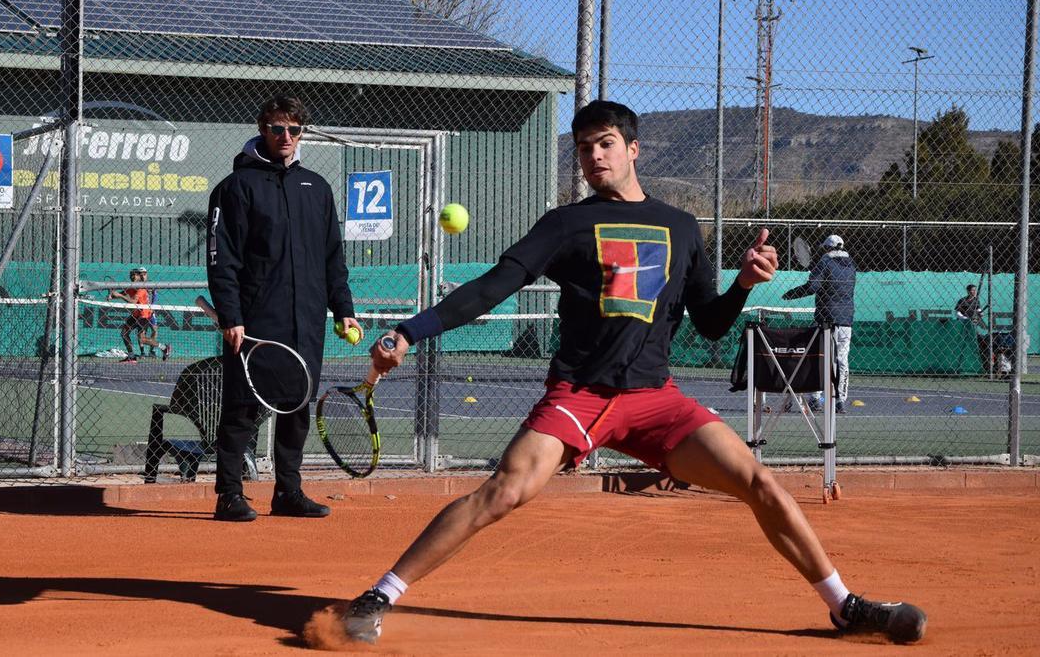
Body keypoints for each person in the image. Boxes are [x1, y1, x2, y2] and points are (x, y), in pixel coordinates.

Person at [340, 101, 925, 645]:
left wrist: (742, 284)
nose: (594, 157)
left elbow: (713, 323)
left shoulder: (681, 227)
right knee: (505, 491)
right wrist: (410, 331)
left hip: (656, 400)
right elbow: (496, 286)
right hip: (580, 393)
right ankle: (377, 596)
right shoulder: (565, 224)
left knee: (760, 482)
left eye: (606, 144)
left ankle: (843, 605)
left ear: (633, 149)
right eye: (585, 148)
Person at [206, 95, 361, 522]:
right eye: (278, 128)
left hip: (306, 318)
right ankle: (229, 495)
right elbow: (223, 258)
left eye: (294, 130)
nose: (286, 137)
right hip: (256, 320)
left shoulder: (317, 187)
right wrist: (232, 315)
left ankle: (288, 492)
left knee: (297, 404)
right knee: (242, 407)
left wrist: (342, 309)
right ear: (262, 129)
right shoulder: (235, 187)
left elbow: (333, 257)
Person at [782, 234, 855, 414]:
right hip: (846, 320)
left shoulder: (824, 262)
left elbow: (813, 286)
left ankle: (815, 399)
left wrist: (792, 293)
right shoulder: (851, 265)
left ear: (827, 248)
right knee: (842, 361)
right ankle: (840, 401)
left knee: (820, 358)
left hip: (826, 319)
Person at [108, 267, 171, 363]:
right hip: (135, 314)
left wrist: (119, 296)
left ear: (139, 276)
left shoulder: (141, 288)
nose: (133, 277)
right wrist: (111, 296)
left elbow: (133, 301)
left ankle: (164, 348)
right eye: (131, 275)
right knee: (124, 333)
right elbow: (122, 293)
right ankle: (131, 356)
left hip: (144, 315)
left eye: (135, 275)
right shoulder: (130, 286)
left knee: (142, 339)